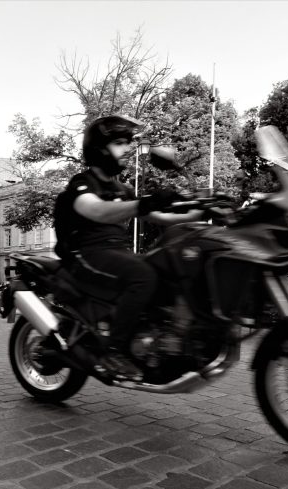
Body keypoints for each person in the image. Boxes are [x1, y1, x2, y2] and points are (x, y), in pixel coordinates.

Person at [52, 114, 202, 382]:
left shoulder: (122, 188)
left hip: (117, 252)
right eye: (120, 143)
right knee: (143, 275)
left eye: (127, 143)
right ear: (99, 148)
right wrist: (143, 203)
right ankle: (114, 352)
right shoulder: (83, 182)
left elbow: (161, 218)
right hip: (86, 254)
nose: (127, 149)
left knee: (166, 267)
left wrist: (199, 211)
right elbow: (95, 209)